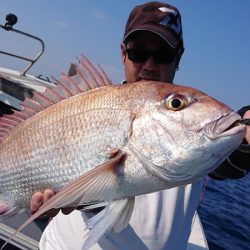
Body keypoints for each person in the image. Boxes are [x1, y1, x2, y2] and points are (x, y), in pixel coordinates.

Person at [30, 2, 250, 249]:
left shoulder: (197, 149)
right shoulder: (89, 108)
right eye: (138, 52)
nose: (149, 65)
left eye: (164, 54)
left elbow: (232, 156)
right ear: (123, 53)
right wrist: (88, 198)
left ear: (178, 57)